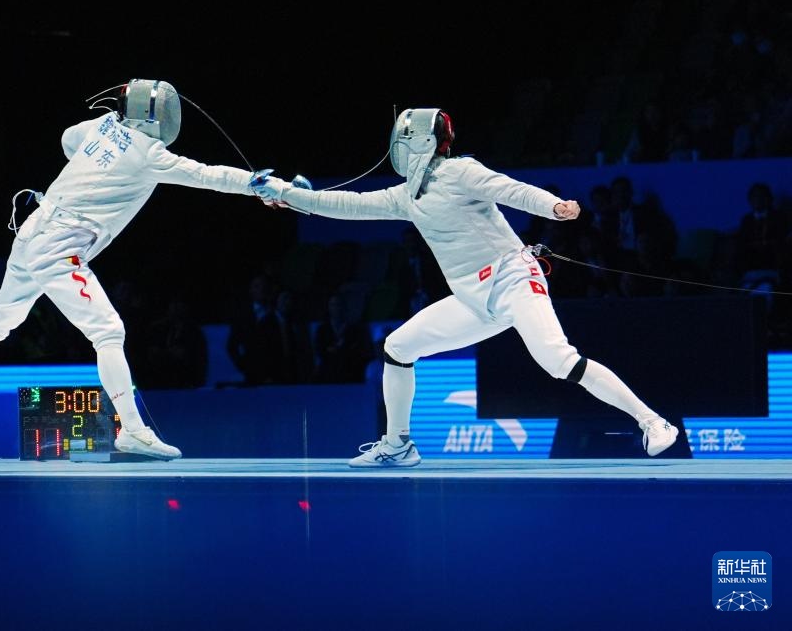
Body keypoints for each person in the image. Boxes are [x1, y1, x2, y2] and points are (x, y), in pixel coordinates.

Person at [253, 108, 680, 466]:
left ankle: (653, 422)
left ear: (420, 142)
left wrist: (554, 206)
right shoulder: (406, 196)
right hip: (473, 300)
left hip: (513, 280)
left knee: (558, 360)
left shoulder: (460, 171)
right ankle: (398, 445)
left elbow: (509, 189)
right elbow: (348, 204)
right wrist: (288, 195)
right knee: (398, 347)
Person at [0, 79, 261, 459]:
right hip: (59, 245)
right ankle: (133, 430)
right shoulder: (149, 154)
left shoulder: (104, 125)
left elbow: (68, 140)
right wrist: (256, 184)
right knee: (108, 331)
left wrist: (93, 163)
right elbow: (207, 175)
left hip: (33, 228)